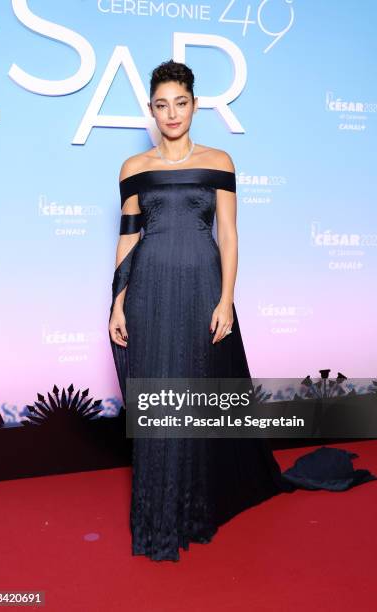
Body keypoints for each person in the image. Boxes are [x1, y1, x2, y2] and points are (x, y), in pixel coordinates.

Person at [109, 60, 376, 562]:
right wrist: (117, 302)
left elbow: (228, 235)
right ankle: (156, 519)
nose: (172, 113)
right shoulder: (133, 169)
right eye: (161, 105)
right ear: (151, 110)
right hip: (149, 290)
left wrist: (226, 297)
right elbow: (127, 237)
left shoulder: (221, 161)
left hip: (201, 287)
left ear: (195, 104)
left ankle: (191, 510)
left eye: (180, 103)